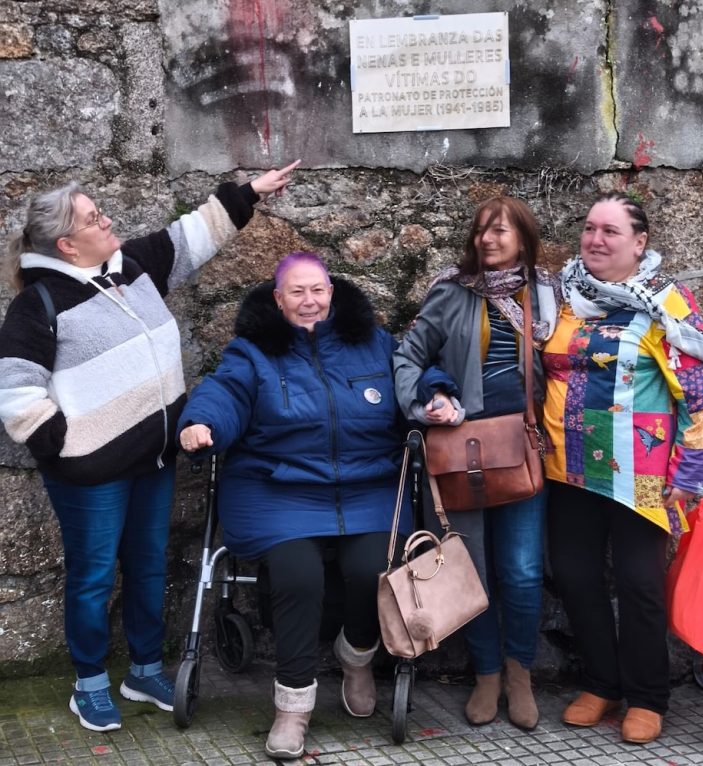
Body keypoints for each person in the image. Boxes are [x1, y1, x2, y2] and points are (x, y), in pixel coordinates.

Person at [0, 160, 300, 732]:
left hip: (154, 460)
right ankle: (89, 683)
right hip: (89, 474)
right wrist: (64, 444)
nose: (107, 220)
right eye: (94, 218)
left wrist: (251, 192)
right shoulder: (37, 306)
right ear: (67, 244)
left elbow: (192, 235)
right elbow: (15, 389)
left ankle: (142, 669)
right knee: (92, 578)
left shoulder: (131, 266)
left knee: (147, 569)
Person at [178, 252, 410, 760]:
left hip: (366, 487)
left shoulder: (374, 343)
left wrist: (438, 395)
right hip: (278, 491)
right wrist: (202, 424)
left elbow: (416, 379)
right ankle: (293, 706)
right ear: (278, 299)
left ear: (332, 291)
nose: (310, 302)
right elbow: (224, 394)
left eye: (318, 290)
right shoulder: (253, 352)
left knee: (376, 568)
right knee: (297, 573)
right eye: (297, 293)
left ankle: (357, 657)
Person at [542, 192, 703, 744]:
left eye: (610, 231)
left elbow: (698, 392)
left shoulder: (669, 303)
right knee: (575, 577)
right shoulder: (560, 298)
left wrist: (691, 473)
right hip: (567, 465)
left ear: (639, 244)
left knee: (640, 584)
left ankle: (647, 695)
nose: (595, 239)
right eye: (589, 227)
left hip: (642, 470)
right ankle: (601, 684)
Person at [393, 197, 560, 730]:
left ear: (524, 238)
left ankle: (519, 673)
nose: (488, 240)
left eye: (501, 231)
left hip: (523, 449)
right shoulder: (451, 291)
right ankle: (486, 673)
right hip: (460, 451)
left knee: (524, 571)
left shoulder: (550, 294)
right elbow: (408, 356)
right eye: (482, 231)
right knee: (472, 571)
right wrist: (426, 407)